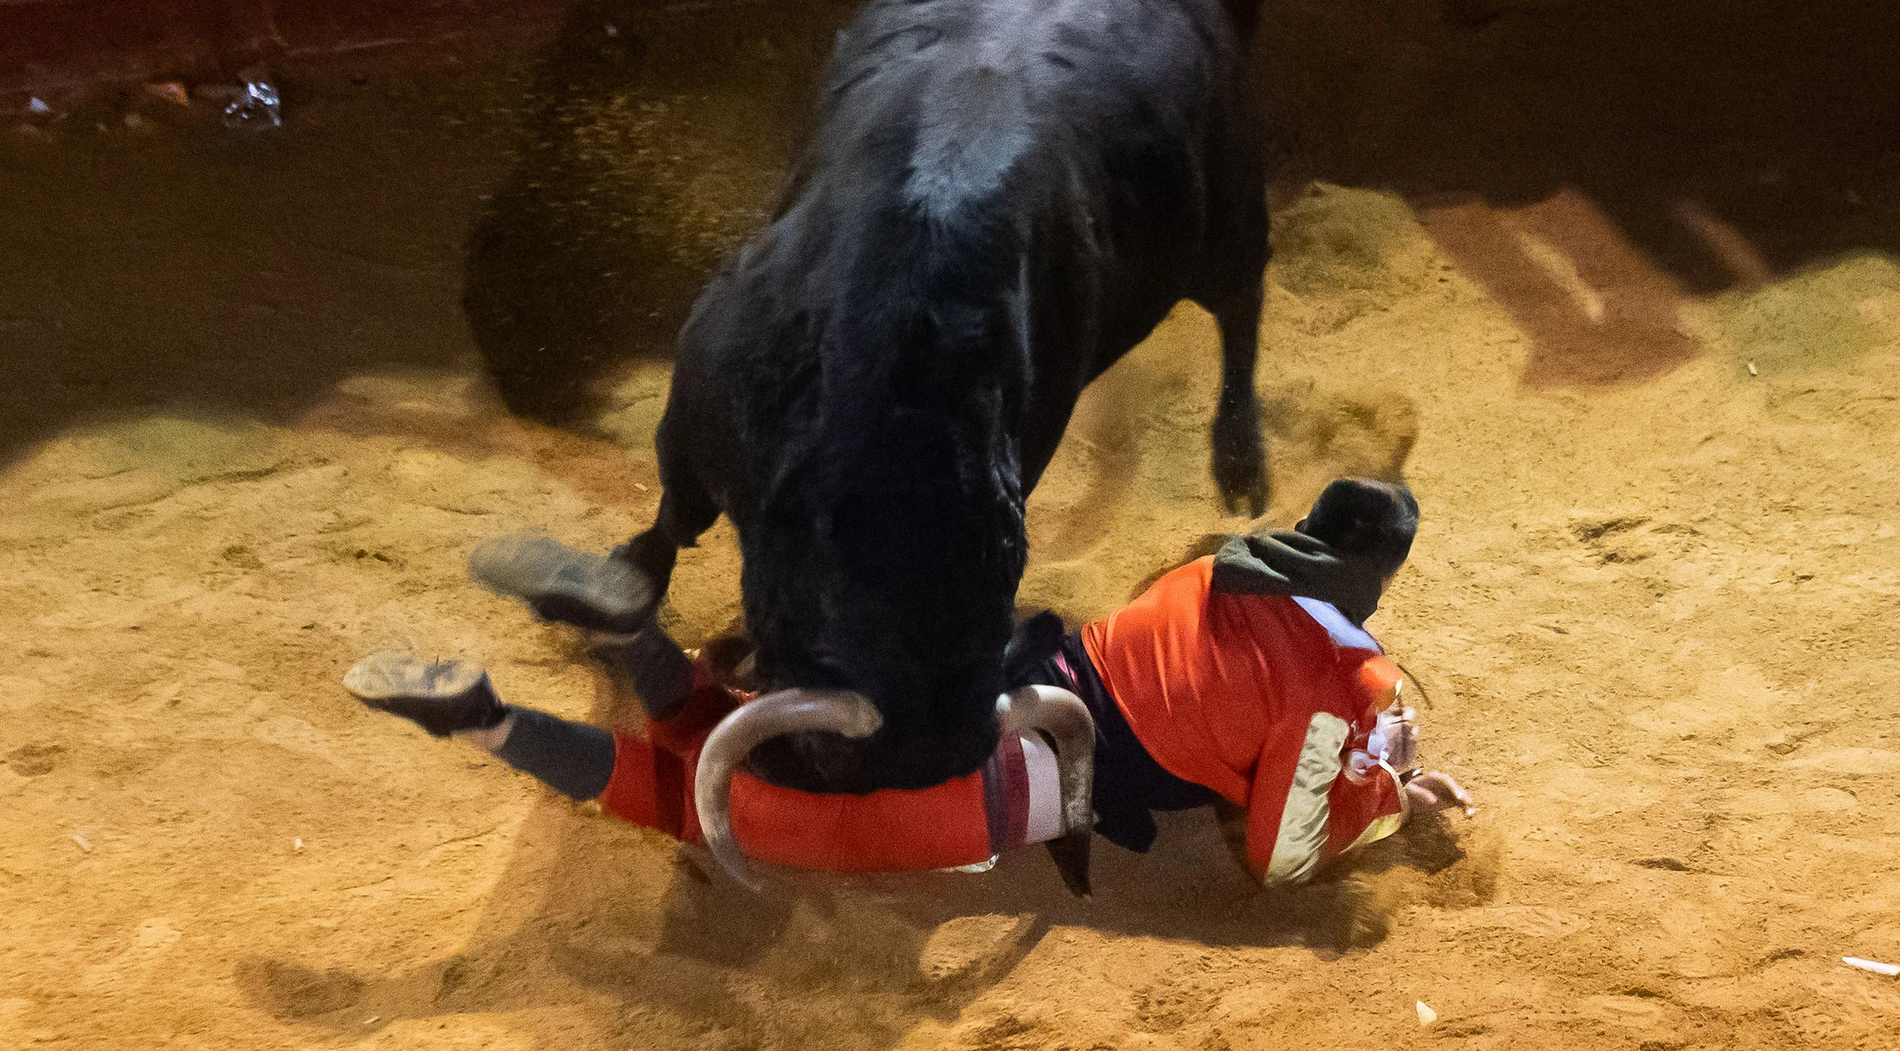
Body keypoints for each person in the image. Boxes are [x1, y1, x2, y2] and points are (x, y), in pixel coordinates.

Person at [347, 478, 1470, 890]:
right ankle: (488, 719)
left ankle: (634, 637)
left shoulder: (1218, 567)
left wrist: (1375, 755)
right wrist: (1375, 796)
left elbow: (1240, 706)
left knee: (723, 732)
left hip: (1016, 666)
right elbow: (1279, 853)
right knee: (698, 801)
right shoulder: (1342, 676)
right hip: (1005, 781)